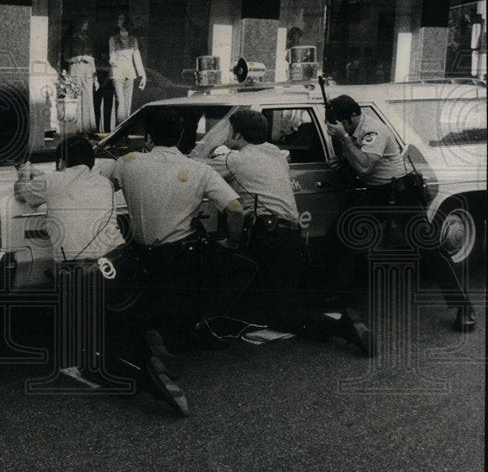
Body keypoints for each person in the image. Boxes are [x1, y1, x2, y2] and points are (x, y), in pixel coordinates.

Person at [14, 137, 188, 414]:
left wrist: (24, 173)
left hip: (81, 272)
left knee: (84, 316)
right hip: (120, 261)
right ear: (91, 162)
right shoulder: (103, 183)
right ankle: (147, 359)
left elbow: (23, 192)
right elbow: (70, 183)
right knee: (120, 318)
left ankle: (96, 365)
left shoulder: (52, 182)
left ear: (60, 162)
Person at [208, 110, 370, 353]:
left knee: (283, 314)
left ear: (239, 134)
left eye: (229, 131)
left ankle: (342, 326)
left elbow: (197, 170)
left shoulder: (236, 160)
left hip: (269, 239)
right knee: (279, 297)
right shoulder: (276, 154)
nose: (227, 135)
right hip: (292, 237)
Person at [104, 109, 256, 353]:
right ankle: (204, 322)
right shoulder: (199, 170)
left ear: (148, 138)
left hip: (141, 254)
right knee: (241, 265)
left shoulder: (127, 163)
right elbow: (235, 209)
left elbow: (101, 190)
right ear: (179, 137)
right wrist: (233, 243)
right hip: (181, 257)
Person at [324, 95, 476, 333]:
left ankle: (464, 307)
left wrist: (344, 138)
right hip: (374, 192)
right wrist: (342, 159)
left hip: (398, 193)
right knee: (341, 236)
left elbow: (364, 166)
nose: (339, 128)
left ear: (353, 117)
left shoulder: (373, 130)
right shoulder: (352, 129)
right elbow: (357, 167)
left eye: (344, 124)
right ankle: (344, 298)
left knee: (428, 248)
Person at [106, 13, 146, 134]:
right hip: (117, 73)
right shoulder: (113, 39)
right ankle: (119, 131)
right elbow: (111, 55)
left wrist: (143, 74)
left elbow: (137, 58)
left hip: (129, 73)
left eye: (122, 19)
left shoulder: (134, 40)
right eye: (118, 18)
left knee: (127, 103)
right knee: (121, 102)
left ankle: (125, 130)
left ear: (126, 23)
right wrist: (113, 61)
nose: (119, 21)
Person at [61, 16, 100, 134]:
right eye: (85, 22)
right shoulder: (70, 39)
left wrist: (96, 78)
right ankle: (75, 129)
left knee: (88, 100)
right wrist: (81, 57)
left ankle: (88, 129)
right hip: (75, 70)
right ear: (80, 23)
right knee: (76, 99)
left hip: (88, 72)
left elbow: (92, 59)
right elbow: (66, 57)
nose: (87, 25)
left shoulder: (87, 39)